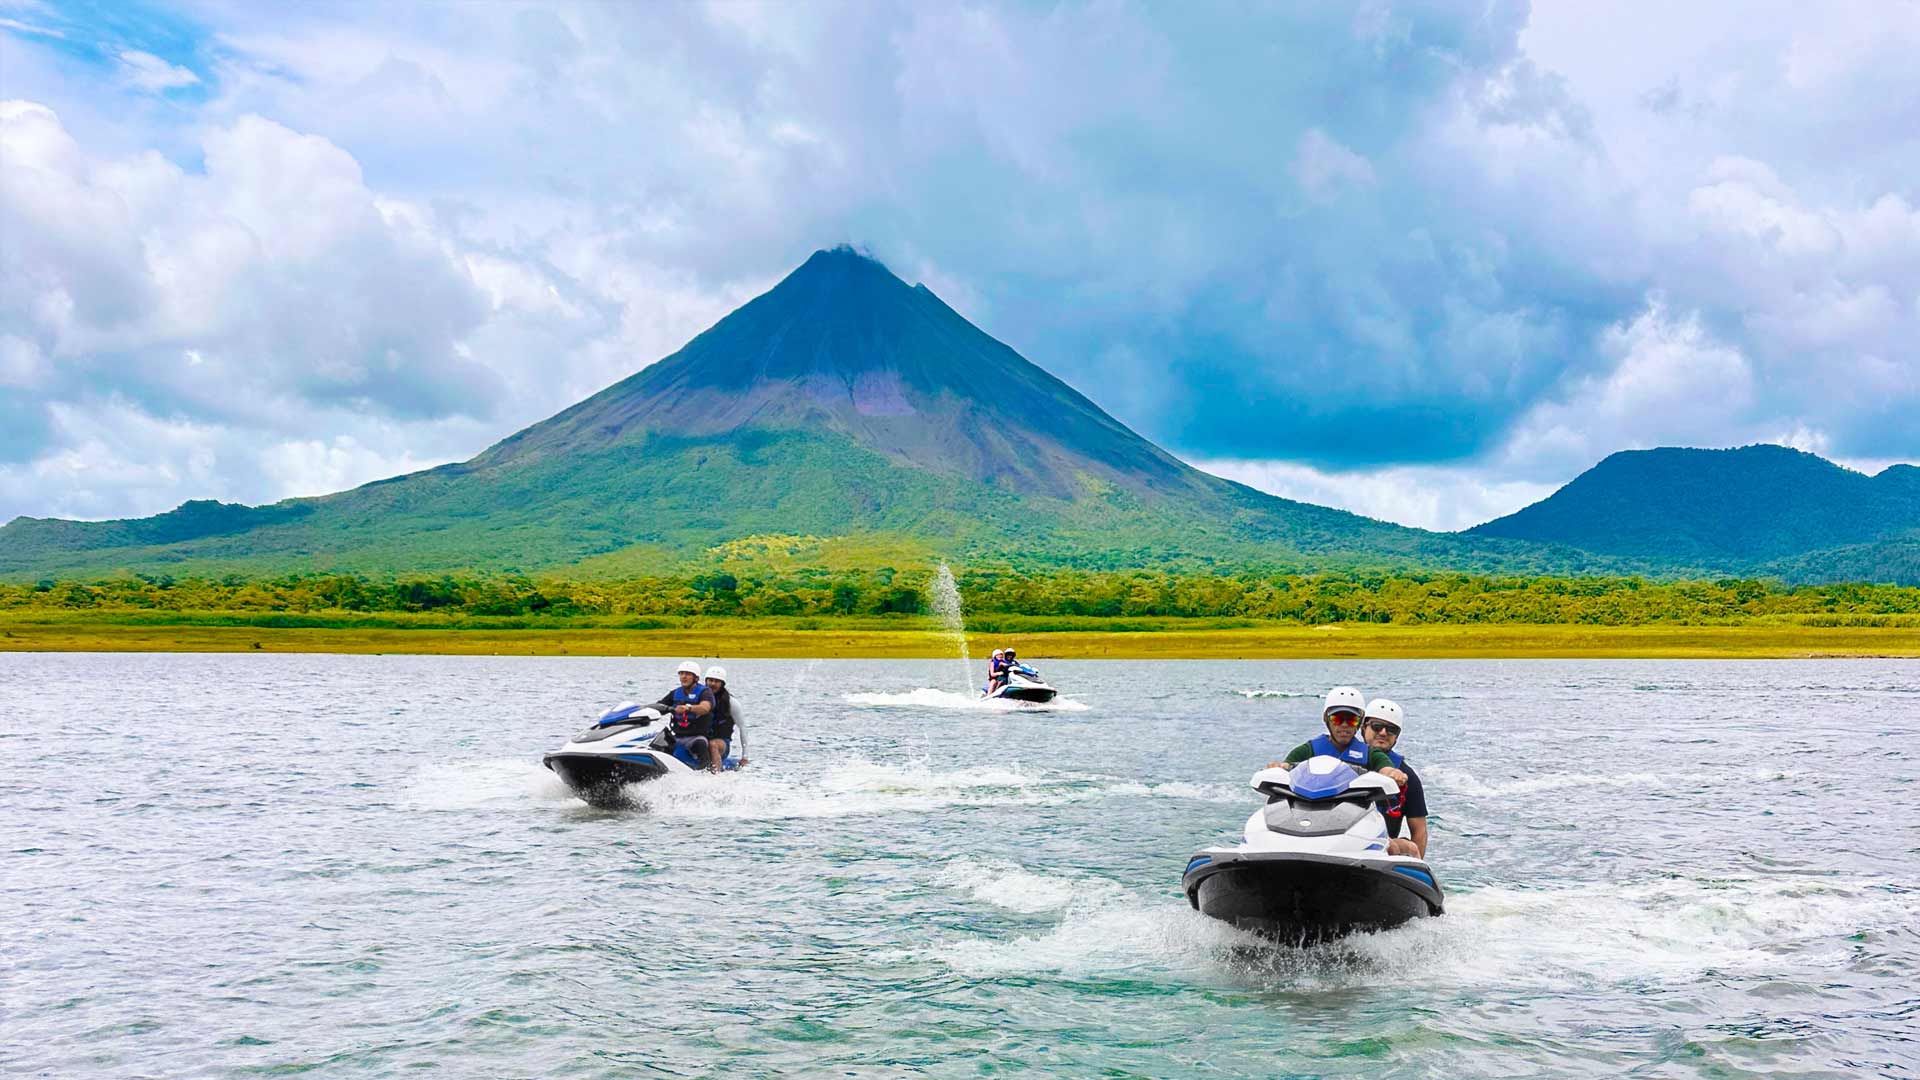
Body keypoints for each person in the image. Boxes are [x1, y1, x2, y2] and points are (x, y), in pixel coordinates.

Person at [1267, 686, 1407, 787]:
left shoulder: (1372, 754)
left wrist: (1394, 774)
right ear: (1326, 719)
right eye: (1337, 719)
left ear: (1360, 722)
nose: (1345, 725)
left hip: (1355, 815)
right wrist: (1277, 767)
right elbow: (1285, 767)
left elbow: (1386, 769)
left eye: (1352, 719)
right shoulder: (1307, 750)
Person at [1363, 698, 1428, 859]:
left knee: (1408, 847)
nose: (1383, 733)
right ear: (1363, 728)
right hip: (1341, 840)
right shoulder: (1343, 762)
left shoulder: (1407, 776)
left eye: (1391, 730)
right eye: (1377, 726)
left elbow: (1419, 830)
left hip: (1383, 850)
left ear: (1397, 736)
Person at [652, 660, 715, 766]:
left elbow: (705, 708)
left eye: (687, 674)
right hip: (677, 736)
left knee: (700, 744)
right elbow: (659, 706)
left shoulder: (705, 692)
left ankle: (707, 773)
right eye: (681, 673)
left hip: (696, 737)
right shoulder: (675, 693)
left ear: (696, 678)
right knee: (658, 743)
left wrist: (688, 708)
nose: (683, 677)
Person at [703, 665, 749, 772]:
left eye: (717, 681)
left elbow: (743, 728)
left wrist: (745, 756)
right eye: (710, 680)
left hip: (722, 742)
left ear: (722, 684)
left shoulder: (731, 703)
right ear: (706, 681)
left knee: (712, 745)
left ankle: (716, 775)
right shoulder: (699, 698)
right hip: (702, 739)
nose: (713, 684)